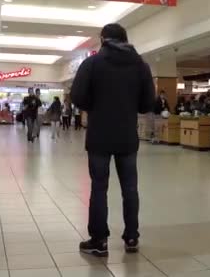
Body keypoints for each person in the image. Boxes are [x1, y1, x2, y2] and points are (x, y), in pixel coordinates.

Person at [71, 23, 155, 257]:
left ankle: (99, 240)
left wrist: (95, 108)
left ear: (103, 39)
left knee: (99, 187)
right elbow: (148, 102)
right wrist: (130, 107)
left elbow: (77, 96)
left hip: (99, 136)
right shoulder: (140, 66)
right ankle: (132, 237)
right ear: (125, 38)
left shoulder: (92, 63)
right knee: (130, 187)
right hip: (127, 136)